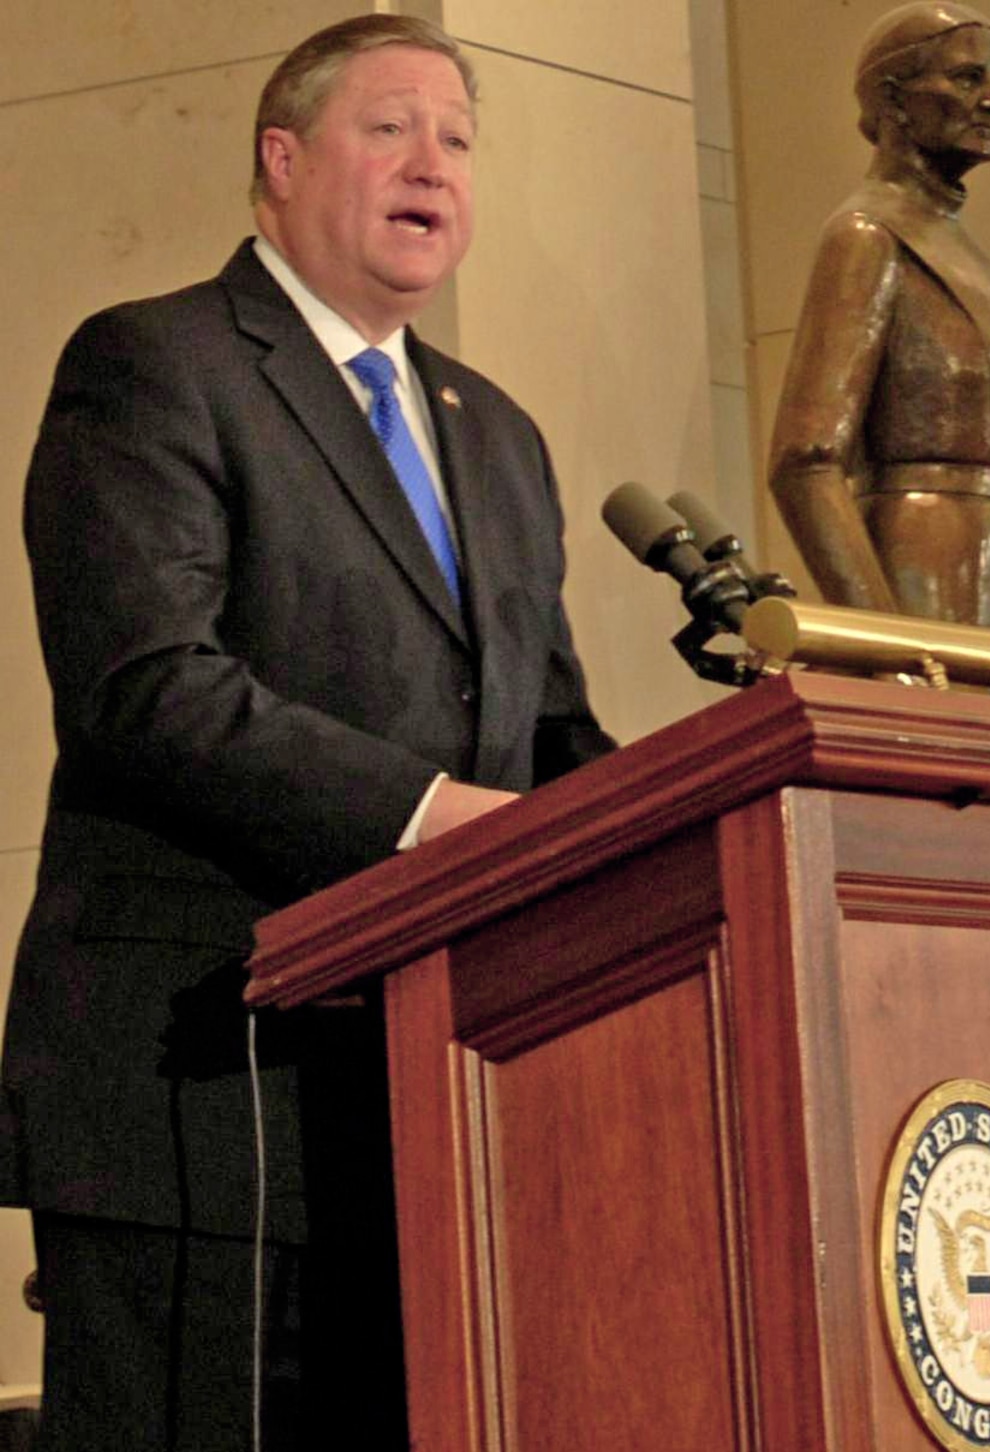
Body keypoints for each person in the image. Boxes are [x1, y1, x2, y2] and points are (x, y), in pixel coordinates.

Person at [3, 15, 616, 1449]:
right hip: (204, 1092)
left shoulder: (497, 434)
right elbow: (147, 685)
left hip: (429, 1099)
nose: (435, 165)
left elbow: (554, 739)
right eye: (393, 127)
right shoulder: (158, 364)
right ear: (280, 162)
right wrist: (430, 816)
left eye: (459, 140)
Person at [768, 2, 990, 654]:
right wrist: (889, 647)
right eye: (967, 79)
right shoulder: (868, 234)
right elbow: (806, 460)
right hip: (928, 572)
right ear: (894, 99)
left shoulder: (953, 243)